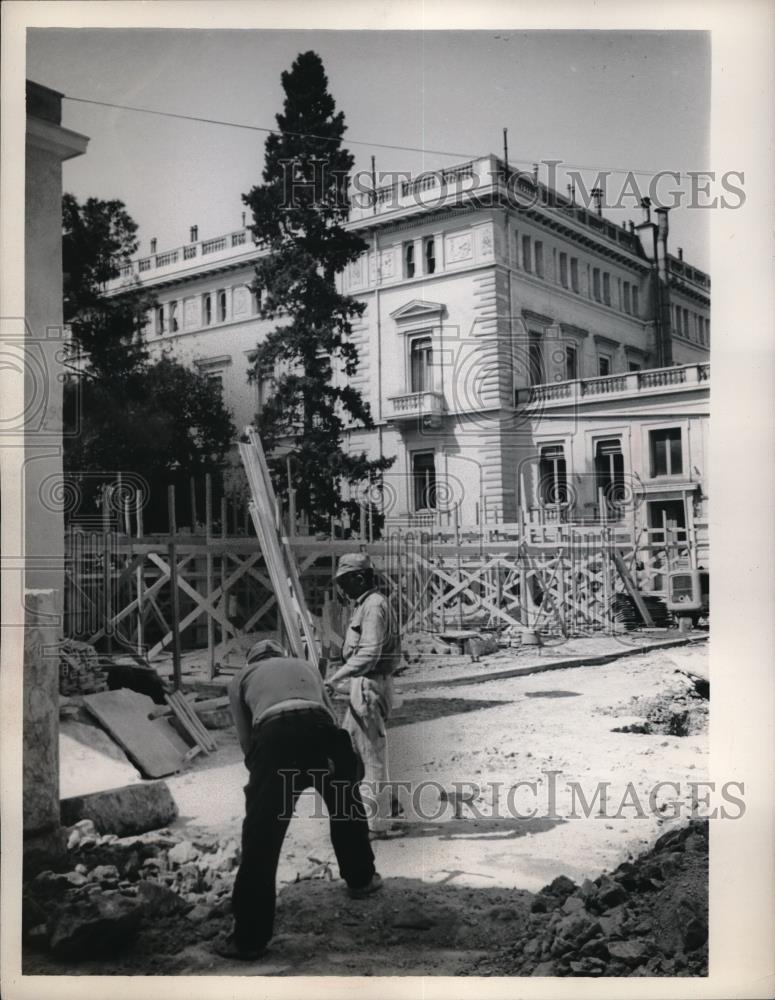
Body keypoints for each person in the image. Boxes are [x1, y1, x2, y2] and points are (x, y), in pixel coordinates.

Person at [215, 638, 382, 961]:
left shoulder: (240, 678)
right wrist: (333, 767)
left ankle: (249, 939)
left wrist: (265, 781)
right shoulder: (305, 666)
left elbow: (246, 739)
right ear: (280, 655)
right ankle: (361, 879)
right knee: (345, 805)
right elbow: (331, 717)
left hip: (275, 735)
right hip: (320, 729)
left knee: (262, 835)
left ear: (251, 660)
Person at [325, 553, 403, 838]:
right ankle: (381, 811)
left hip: (369, 686)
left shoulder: (373, 606)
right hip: (364, 685)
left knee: (371, 757)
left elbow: (370, 653)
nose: (342, 590)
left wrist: (336, 677)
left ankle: (377, 825)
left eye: (345, 582)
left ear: (359, 578)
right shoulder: (369, 605)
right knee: (351, 755)